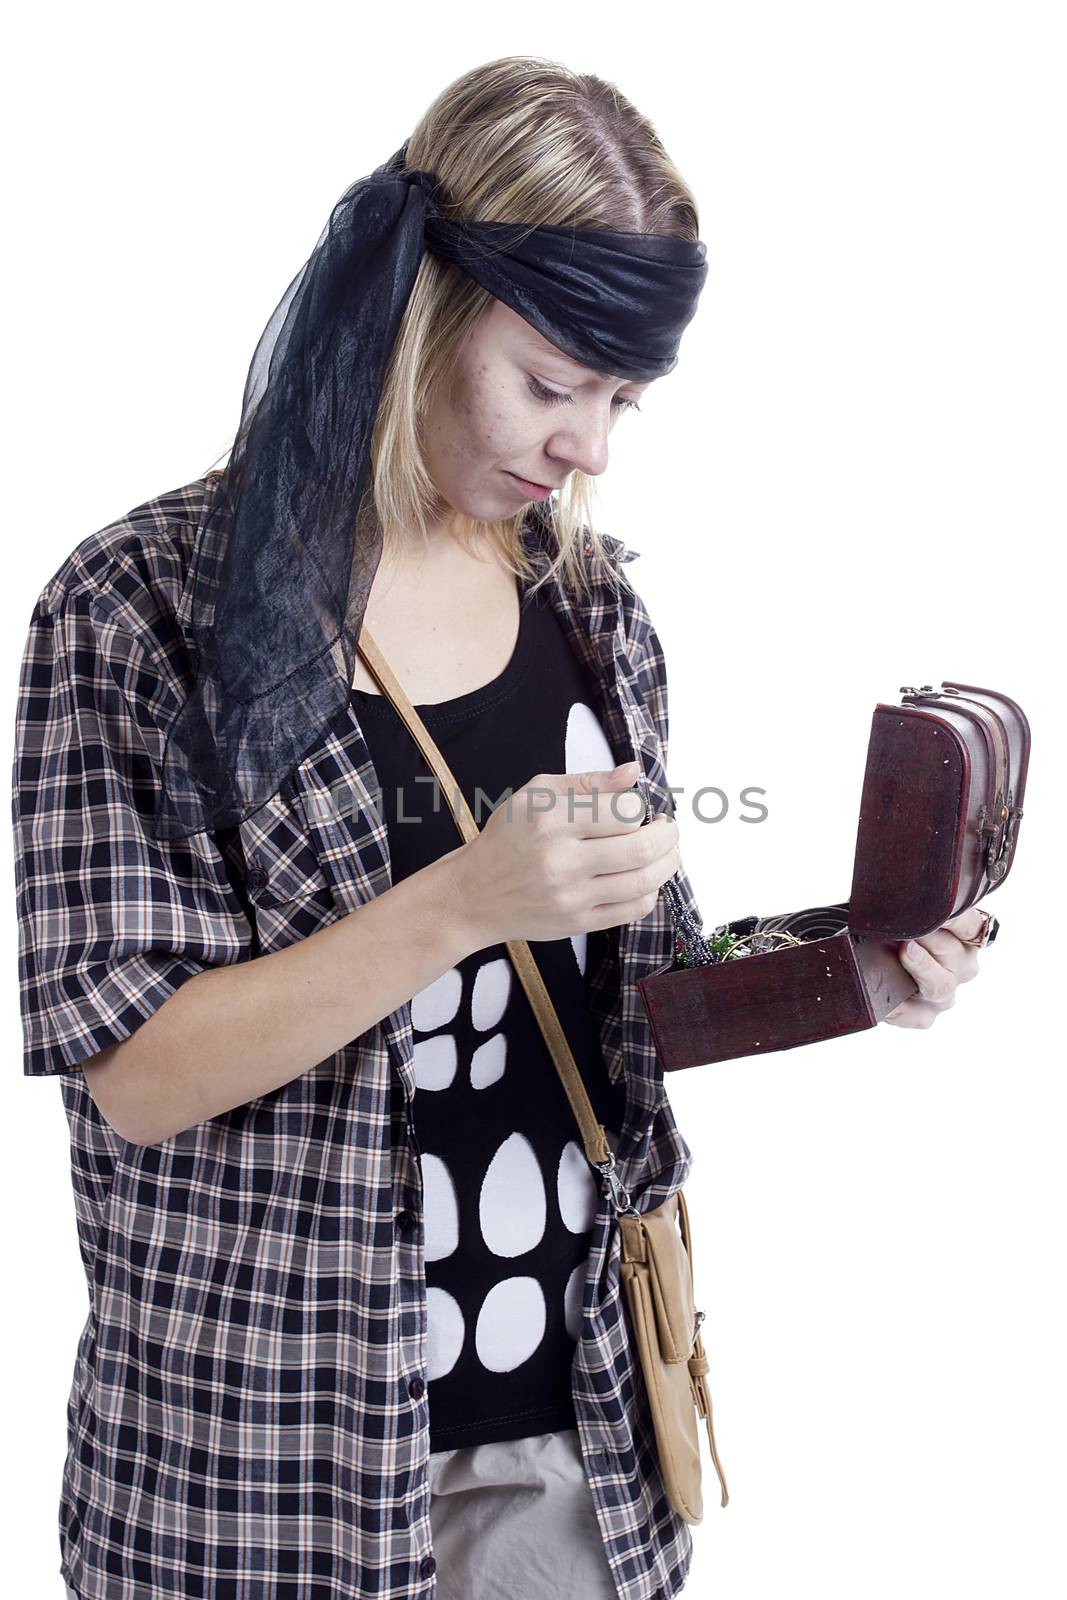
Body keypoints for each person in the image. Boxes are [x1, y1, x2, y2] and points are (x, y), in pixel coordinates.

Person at [14, 54, 992, 1600]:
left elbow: (640, 1002)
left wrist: (856, 966)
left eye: (623, 400)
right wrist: (463, 901)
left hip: (574, 1440)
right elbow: (131, 1072)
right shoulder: (136, 609)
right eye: (553, 383)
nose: (587, 447)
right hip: (250, 1466)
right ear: (417, 310)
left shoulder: (590, 607)